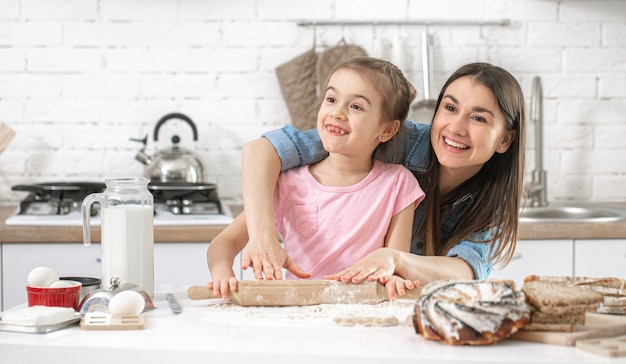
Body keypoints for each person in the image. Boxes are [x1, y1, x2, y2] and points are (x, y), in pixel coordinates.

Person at [239, 62, 526, 290]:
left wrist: (397, 260)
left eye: (478, 118)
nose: (456, 128)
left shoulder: (494, 203)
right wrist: (263, 235)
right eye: (449, 108)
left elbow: (466, 270)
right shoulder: (399, 139)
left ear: (505, 140)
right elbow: (262, 150)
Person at [207, 57, 425, 299]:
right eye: (331, 99)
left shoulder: (398, 184)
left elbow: (395, 261)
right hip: (298, 312)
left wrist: (394, 279)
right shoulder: (287, 183)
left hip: (363, 312)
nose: (337, 112)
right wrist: (222, 274)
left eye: (356, 107)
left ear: (387, 130)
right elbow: (223, 243)